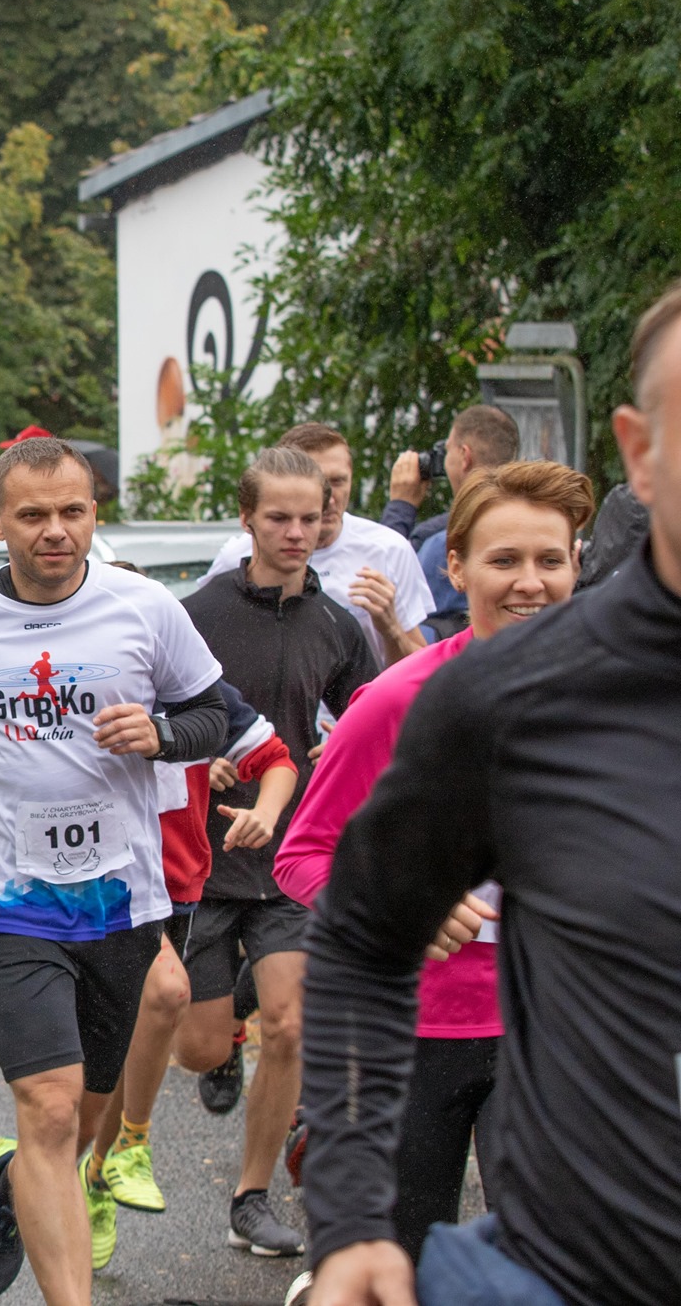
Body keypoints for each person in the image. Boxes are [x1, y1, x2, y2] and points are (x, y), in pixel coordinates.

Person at [297, 284, 681, 1306]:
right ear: (638, 452)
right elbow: (357, 936)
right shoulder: (502, 700)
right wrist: (346, 1223)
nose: (524, 579)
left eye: (542, 560)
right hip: (585, 1271)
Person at [0, 437, 227, 1304]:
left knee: (82, 1116)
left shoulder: (145, 608)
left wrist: (164, 736)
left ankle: (18, 1183)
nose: (56, 531)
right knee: (53, 1108)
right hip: (9, 902)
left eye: (73, 511)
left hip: (124, 901)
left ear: (95, 512)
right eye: (33, 515)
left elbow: (213, 713)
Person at [273, 461, 590, 1288]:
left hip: (551, 1028)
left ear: (577, 565)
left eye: (550, 560)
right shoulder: (395, 701)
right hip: (416, 1034)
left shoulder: (609, 700)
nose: (530, 582)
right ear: (455, 567)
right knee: (401, 1270)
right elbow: (301, 855)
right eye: (504, 560)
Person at [176, 446, 381, 1259]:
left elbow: (369, 713)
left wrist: (340, 756)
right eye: (280, 518)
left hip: (290, 858)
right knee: (197, 1043)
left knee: (292, 1027)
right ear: (247, 519)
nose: (298, 532)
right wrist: (201, 750)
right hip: (202, 860)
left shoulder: (337, 624)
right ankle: (220, 1042)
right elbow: (157, 714)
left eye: (312, 517)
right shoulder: (197, 613)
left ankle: (251, 1197)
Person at [83, 662, 297, 1227]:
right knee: (165, 993)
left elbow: (276, 760)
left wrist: (266, 813)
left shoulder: (193, 692)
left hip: (179, 891)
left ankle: (97, 1169)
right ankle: (132, 1143)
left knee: (140, 1046)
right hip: (103, 885)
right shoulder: (73, 688)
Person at [197, 424, 434, 667]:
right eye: (319, 482)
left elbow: (423, 670)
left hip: (358, 701)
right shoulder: (238, 556)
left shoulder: (389, 549)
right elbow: (197, 644)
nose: (329, 498)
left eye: (338, 481)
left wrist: (392, 629)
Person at [382, 405, 521, 634]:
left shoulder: (438, 540)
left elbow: (383, 590)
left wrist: (400, 507)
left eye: (447, 451)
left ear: (464, 456)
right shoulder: (532, 525)